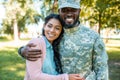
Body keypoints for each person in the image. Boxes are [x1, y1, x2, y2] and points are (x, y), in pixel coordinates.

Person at [18, 0, 109, 80]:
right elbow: (42, 46)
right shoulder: (56, 34)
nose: (69, 14)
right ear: (59, 11)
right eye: (64, 10)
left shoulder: (93, 36)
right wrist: (22, 50)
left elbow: (102, 68)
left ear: (79, 11)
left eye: (73, 10)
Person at [23, 14, 84, 80]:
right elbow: (35, 76)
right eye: (49, 26)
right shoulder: (37, 43)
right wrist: (66, 77)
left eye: (57, 28)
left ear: (61, 32)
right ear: (44, 26)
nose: (52, 30)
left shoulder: (56, 46)